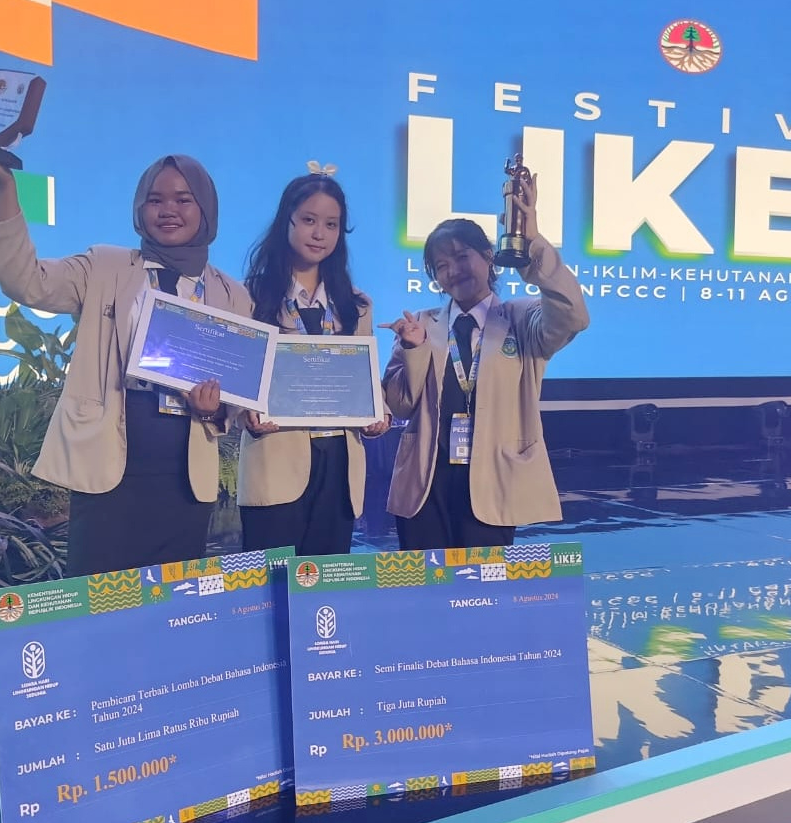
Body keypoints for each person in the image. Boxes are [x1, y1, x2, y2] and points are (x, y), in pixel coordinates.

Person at [0, 140, 252, 576]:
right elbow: (27, 282)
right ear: (139, 208)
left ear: (206, 208)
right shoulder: (104, 266)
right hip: (108, 465)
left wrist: (215, 410)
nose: (168, 210)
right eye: (155, 199)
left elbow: (238, 394)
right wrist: (4, 188)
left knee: (173, 601)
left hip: (186, 476)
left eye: (183, 200)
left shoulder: (233, 295)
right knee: (99, 598)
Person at [380, 175, 588, 550]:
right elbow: (399, 405)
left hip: (493, 483)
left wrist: (532, 243)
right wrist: (413, 349)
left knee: (483, 583)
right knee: (423, 585)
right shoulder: (420, 325)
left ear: (488, 256)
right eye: (441, 265)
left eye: (462, 257)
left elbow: (573, 315)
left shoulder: (522, 319)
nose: (453, 270)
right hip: (426, 486)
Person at [237, 168, 390, 556]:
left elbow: (366, 381)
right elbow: (237, 377)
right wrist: (245, 412)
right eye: (308, 220)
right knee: (269, 582)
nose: (319, 233)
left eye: (331, 224)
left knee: (326, 582)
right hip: (275, 458)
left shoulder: (356, 305)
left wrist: (380, 413)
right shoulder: (249, 297)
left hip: (339, 463)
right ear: (286, 221)